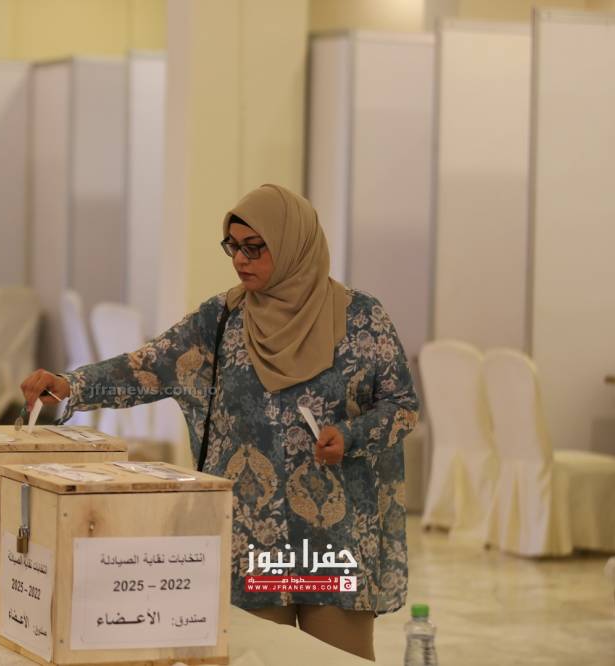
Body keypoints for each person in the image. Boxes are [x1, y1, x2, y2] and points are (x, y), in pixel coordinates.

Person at [21, 184, 419, 661]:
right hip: (250, 539)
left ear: (294, 245)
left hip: (334, 541)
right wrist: (72, 384)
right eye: (233, 246)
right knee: (252, 657)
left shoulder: (361, 319)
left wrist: (350, 436)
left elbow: (401, 406)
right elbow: (150, 366)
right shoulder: (222, 319)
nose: (241, 260)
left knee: (338, 660)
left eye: (255, 247)